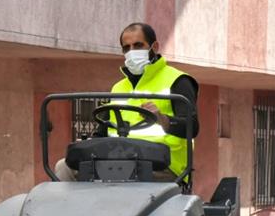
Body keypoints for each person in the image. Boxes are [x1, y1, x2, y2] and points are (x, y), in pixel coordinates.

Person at [56, 22, 199, 183]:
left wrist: (162, 119)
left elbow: (192, 127)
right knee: (64, 166)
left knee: (126, 179)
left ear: (155, 47)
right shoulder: (118, 87)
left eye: (138, 45)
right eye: (127, 48)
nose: (132, 52)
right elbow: (102, 131)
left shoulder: (178, 81)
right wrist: (88, 144)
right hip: (117, 160)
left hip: (162, 165)